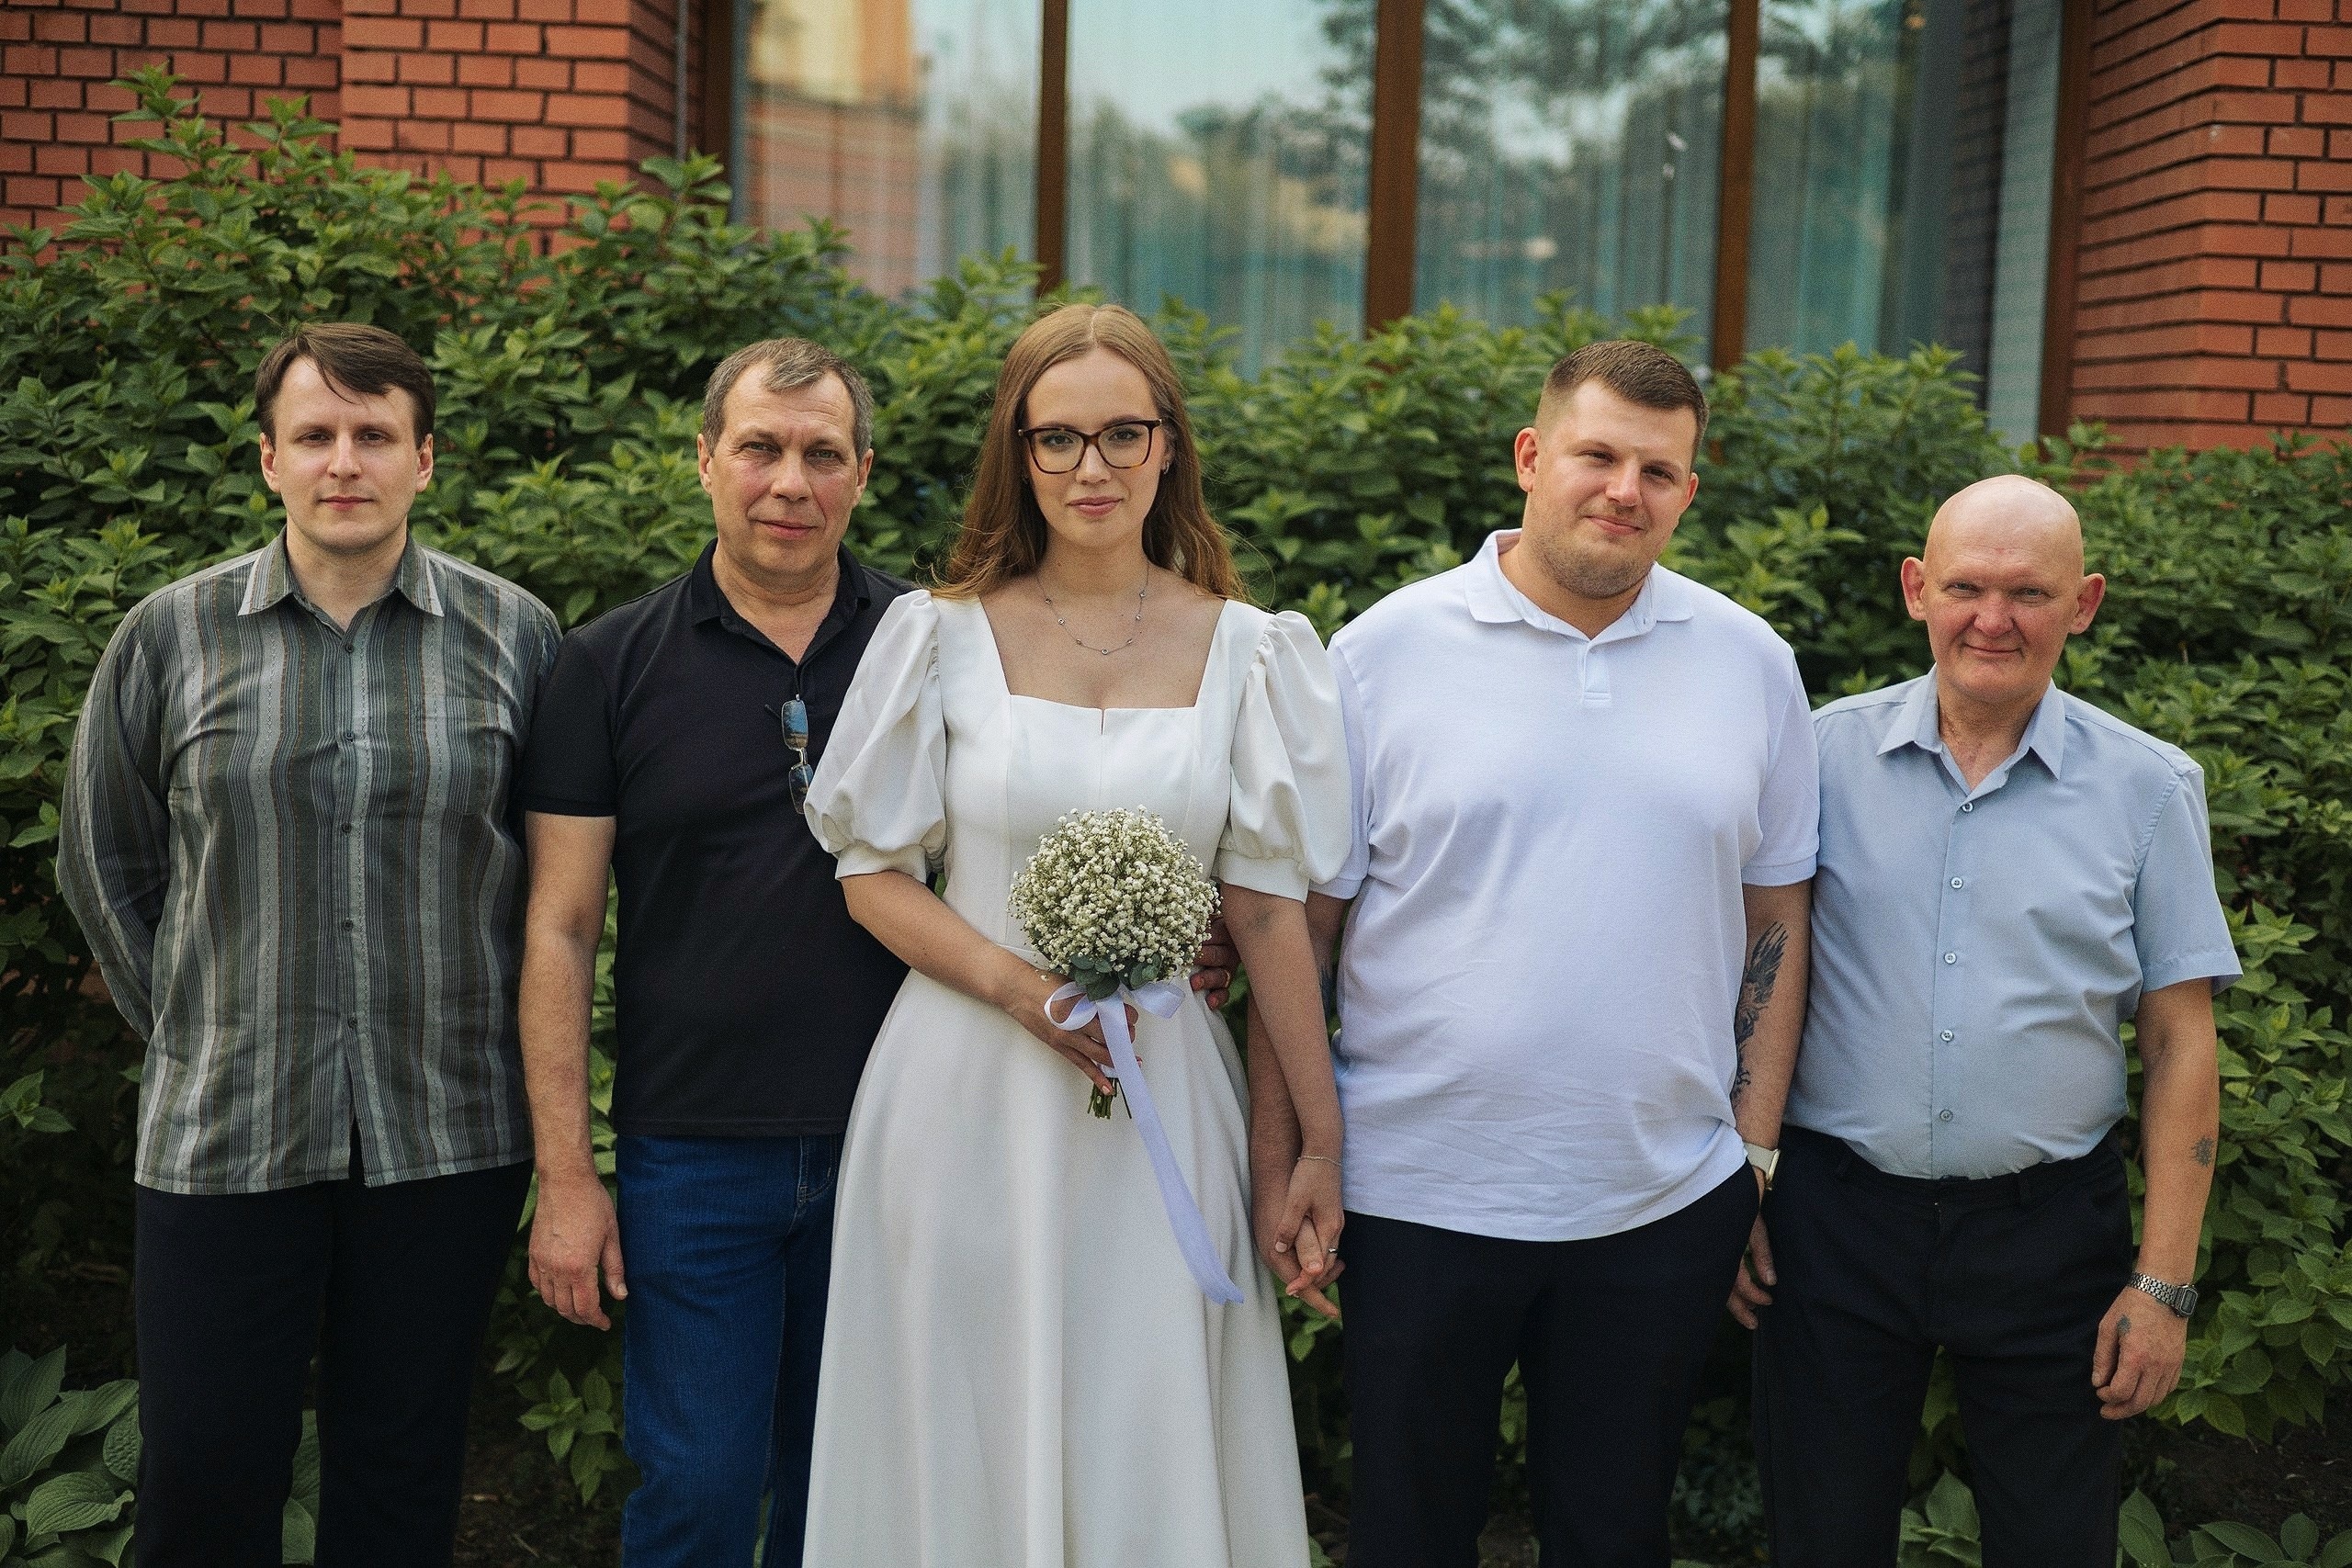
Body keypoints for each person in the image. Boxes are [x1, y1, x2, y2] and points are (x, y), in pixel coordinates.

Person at [514, 333, 1244, 1566]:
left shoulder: (942, 635)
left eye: (819, 453)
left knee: (867, 1492)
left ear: (863, 470)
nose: (787, 482)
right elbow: (561, 923)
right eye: (759, 449)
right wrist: (569, 1174)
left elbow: (1083, 788)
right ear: (705, 462)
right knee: (696, 1485)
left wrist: (1185, 921)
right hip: (697, 1142)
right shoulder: (608, 664)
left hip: (913, 1129)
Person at [797, 301, 1348, 1567]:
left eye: (1121, 434)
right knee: (965, 1413)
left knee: (1143, 1403)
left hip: (1168, 1090)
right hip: (963, 1095)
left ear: (1168, 448)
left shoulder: (1254, 652)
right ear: (1019, 452)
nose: (1090, 468)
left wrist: (1318, 1137)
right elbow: (869, 870)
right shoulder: (935, 636)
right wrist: (1017, 987)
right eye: (1058, 439)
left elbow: (1265, 907)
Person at [1258, 339, 1820, 1567]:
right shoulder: (1382, 652)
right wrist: (1295, 1148)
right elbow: (1300, 926)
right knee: (1409, 1530)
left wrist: (1753, 1150)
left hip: (1660, 1196)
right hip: (1416, 1189)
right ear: (1530, 457)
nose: (1625, 488)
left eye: (1659, 469)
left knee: (1615, 1533)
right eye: (1598, 454)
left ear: (1688, 489)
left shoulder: (1751, 663)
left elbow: (1778, 910)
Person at [57, 323, 559, 1567]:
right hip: (225, 1129)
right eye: (317, 435)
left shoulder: (516, 637)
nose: (347, 461)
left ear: (425, 458)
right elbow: (102, 858)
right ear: (268, 457)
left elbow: (558, 884)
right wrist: (193, 1020)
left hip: (444, 1135)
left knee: (402, 1480)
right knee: (205, 1482)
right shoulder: (168, 637)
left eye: (375, 434)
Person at [1747, 475, 2238, 1566]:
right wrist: (1742, 1183)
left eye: (2029, 592)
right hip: (1833, 1226)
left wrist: (2161, 1285)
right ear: (1916, 589)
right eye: (1965, 585)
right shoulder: (1818, 759)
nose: (1992, 618)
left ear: (2085, 603)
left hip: (2050, 1234)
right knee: (1818, 1538)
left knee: (2056, 1544)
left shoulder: (2150, 788)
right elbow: (1753, 974)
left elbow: (2179, 1041)